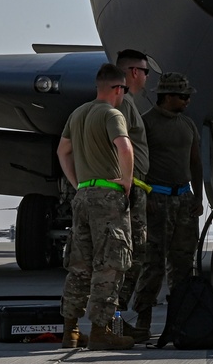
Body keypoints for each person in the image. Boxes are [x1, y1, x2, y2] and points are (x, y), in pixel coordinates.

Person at [57, 63, 136, 351]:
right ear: (117, 89)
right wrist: (127, 181)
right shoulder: (112, 113)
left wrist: (79, 182)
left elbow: (62, 150)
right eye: (124, 90)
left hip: (84, 195)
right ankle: (101, 331)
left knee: (79, 265)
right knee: (111, 264)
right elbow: (125, 147)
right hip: (107, 198)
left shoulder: (78, 113)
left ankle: (70, 331)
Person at [133, 72, 204, 333]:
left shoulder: (188, 125)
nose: (187, 101)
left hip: (183, 199)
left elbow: (196, 162)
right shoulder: (146, 124)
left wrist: (198, 197)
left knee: (183, 263)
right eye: (183, 96)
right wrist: (145, 196)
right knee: (152, 263)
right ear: (168, 96)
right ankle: (143, 320)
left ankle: (179, 321)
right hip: (157, 199)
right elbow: (136, 164)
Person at [114, 48, 152, 342]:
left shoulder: (123, 103)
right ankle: (112, 318)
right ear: (135, 73)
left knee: (129, 254)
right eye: (146, 72)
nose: (147, 79)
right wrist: (127, 183)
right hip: (129, 188)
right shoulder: (123, 104)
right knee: (131, 255)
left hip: (130, 187)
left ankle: (112, 320)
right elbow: (120, 145)